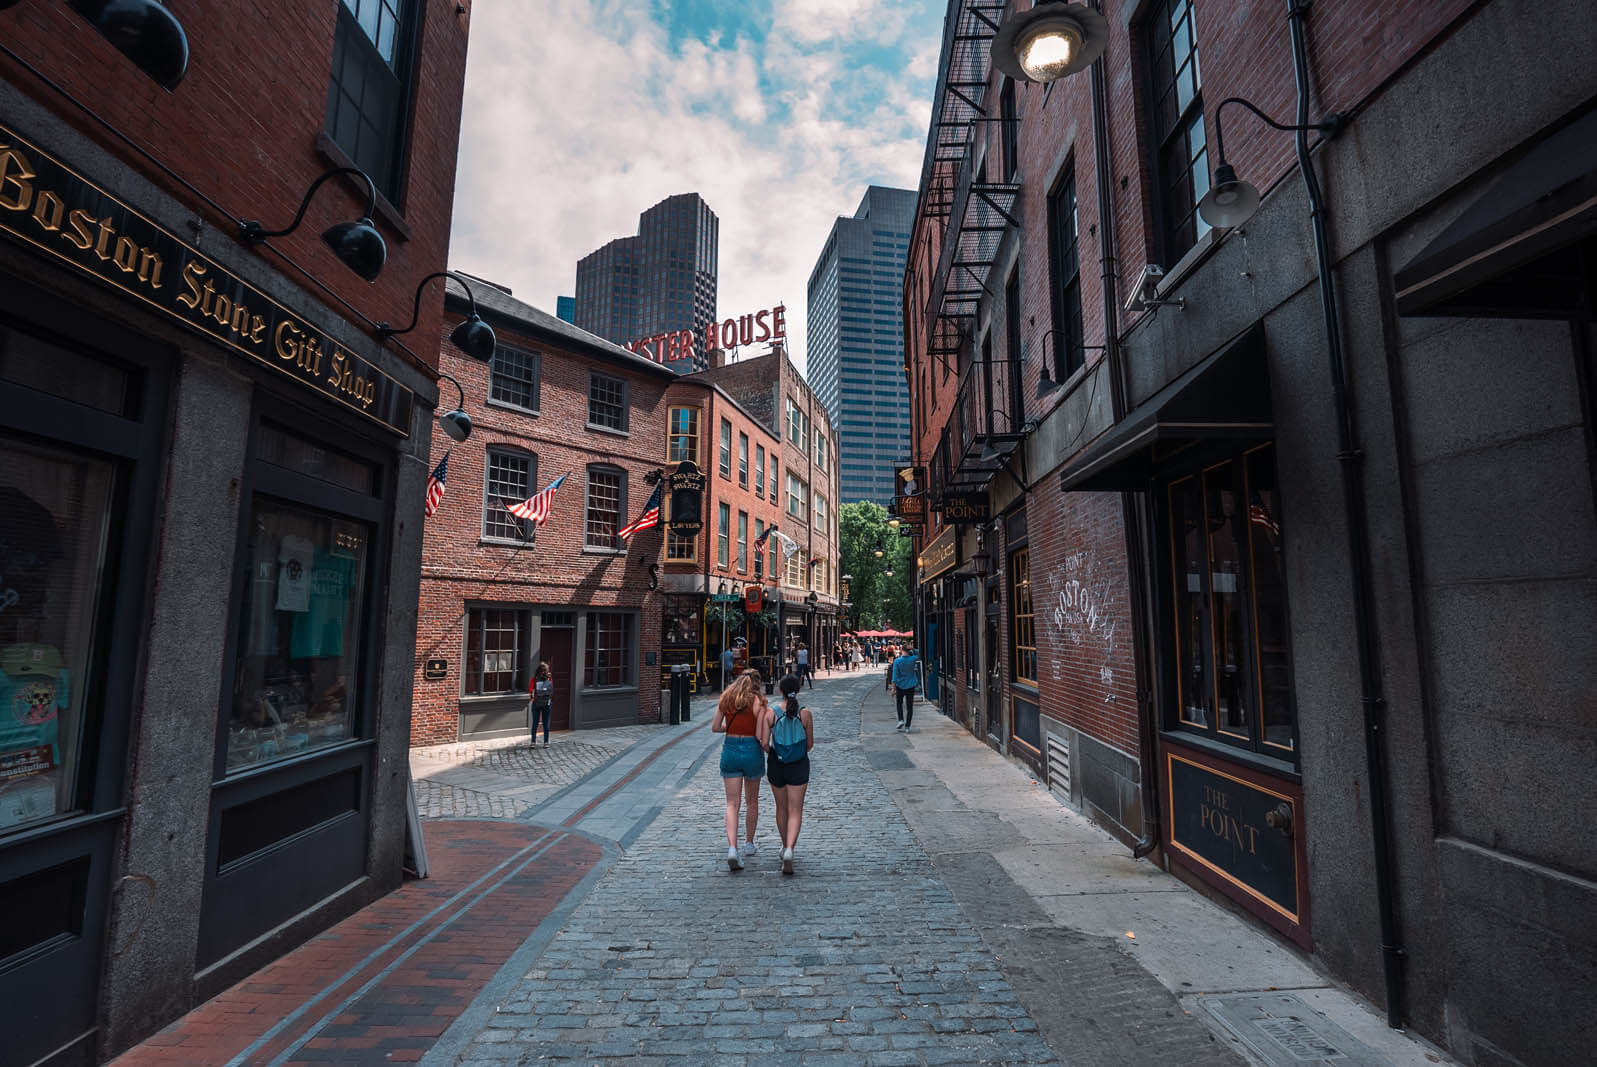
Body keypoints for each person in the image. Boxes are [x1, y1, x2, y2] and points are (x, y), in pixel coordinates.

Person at [712, 671, 769, 870]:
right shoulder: (758, 702)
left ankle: (732, 848)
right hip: (752, 750)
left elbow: (715, 727)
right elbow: (760, 734)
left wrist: (731, 727)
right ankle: (749, 843)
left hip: (731, 749)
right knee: (751, 801)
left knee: (731, 803)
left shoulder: (726, 698)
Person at [763, 673, 814, 875]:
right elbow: (810, 744)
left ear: (780, 690)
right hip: (799, 764)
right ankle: (791, 850)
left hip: (777, 764)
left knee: (781, 808)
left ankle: (784, 845)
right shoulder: (805, 713)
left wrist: (776, 754)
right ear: (798, 690)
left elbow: (765, 743)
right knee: (796, 810)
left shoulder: (771, 713)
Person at [887, 644, 920, 733]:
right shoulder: (913, 659)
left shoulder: (897, 661)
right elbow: (918, 652)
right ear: (909, 651)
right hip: (911, 684)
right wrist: (912, 650)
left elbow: (894, 675)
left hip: (900, 685)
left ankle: (901, 719)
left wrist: (893, 688)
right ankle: (907, 726)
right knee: (910, 706)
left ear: (901, 650)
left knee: (899, 703)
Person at [528, 661, 554, 746]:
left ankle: (533, 742)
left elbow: (530, 691)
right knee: (545, 723)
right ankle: (546, 742)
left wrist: (532, 698)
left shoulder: (534, 679)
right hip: (547, 703)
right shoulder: (549, 678)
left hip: (536, 703)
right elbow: (551, 691)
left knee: (535, 723)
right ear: (547, 670)